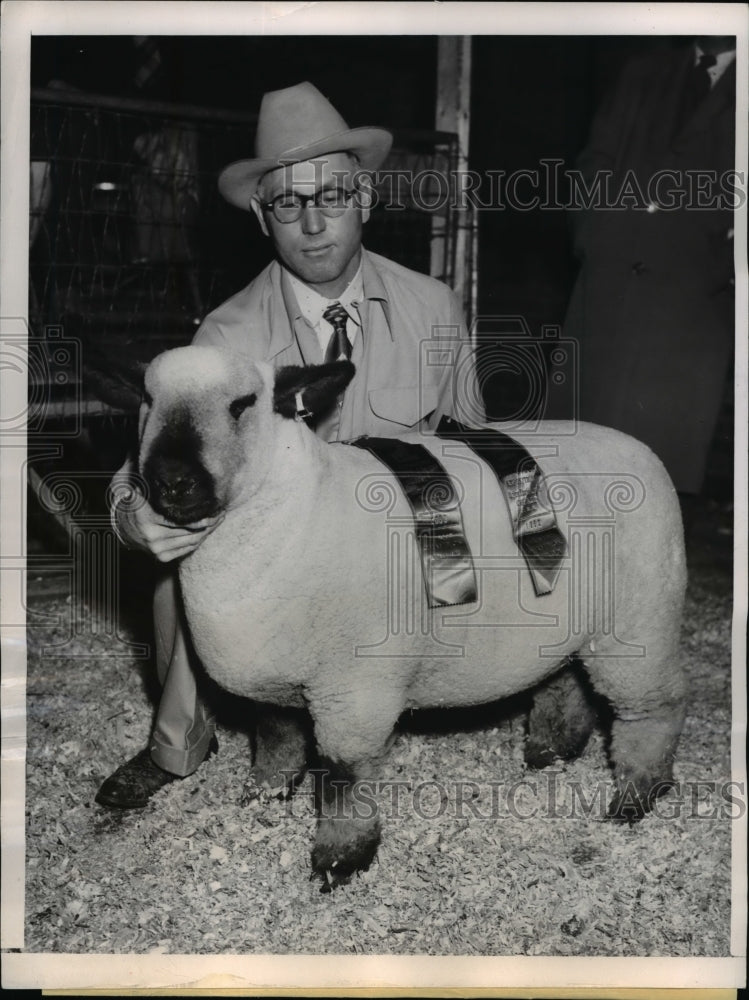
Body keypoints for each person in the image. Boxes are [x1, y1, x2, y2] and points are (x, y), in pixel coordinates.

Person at [96, 81, 480, 808]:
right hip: (280, 543)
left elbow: (470, 438)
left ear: (364, 197)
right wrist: (133, 520)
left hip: (393, 529)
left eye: (331, 195)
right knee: (182, 555)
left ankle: (463, 680)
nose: (311, 222)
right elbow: (137, 474)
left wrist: (516, 550)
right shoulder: (227, 333)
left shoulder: (432, 306)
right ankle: (179, 740)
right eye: (286, 203)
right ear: (260, 217)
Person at [561, 36, 736, 499]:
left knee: (664, 448)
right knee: (583, 436)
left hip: (697, 292)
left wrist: (727, 263)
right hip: (611, 276)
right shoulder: (645, 72)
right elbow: (595, 158)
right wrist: (593, 235)